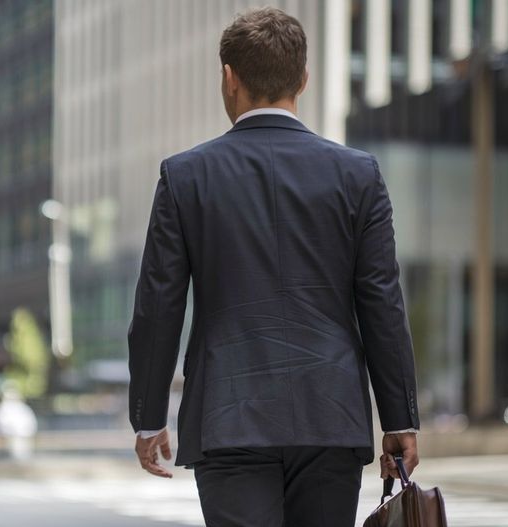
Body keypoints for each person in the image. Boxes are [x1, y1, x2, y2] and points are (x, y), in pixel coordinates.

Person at [127, 7, 420, 526]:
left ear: (229, 78)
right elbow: (381, 301)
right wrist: (400, 418)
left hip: (227, 416)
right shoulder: (358, 175)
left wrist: (149, 417)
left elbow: (158, 306)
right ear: (303, 79)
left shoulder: (185, 176)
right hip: (330, 416)